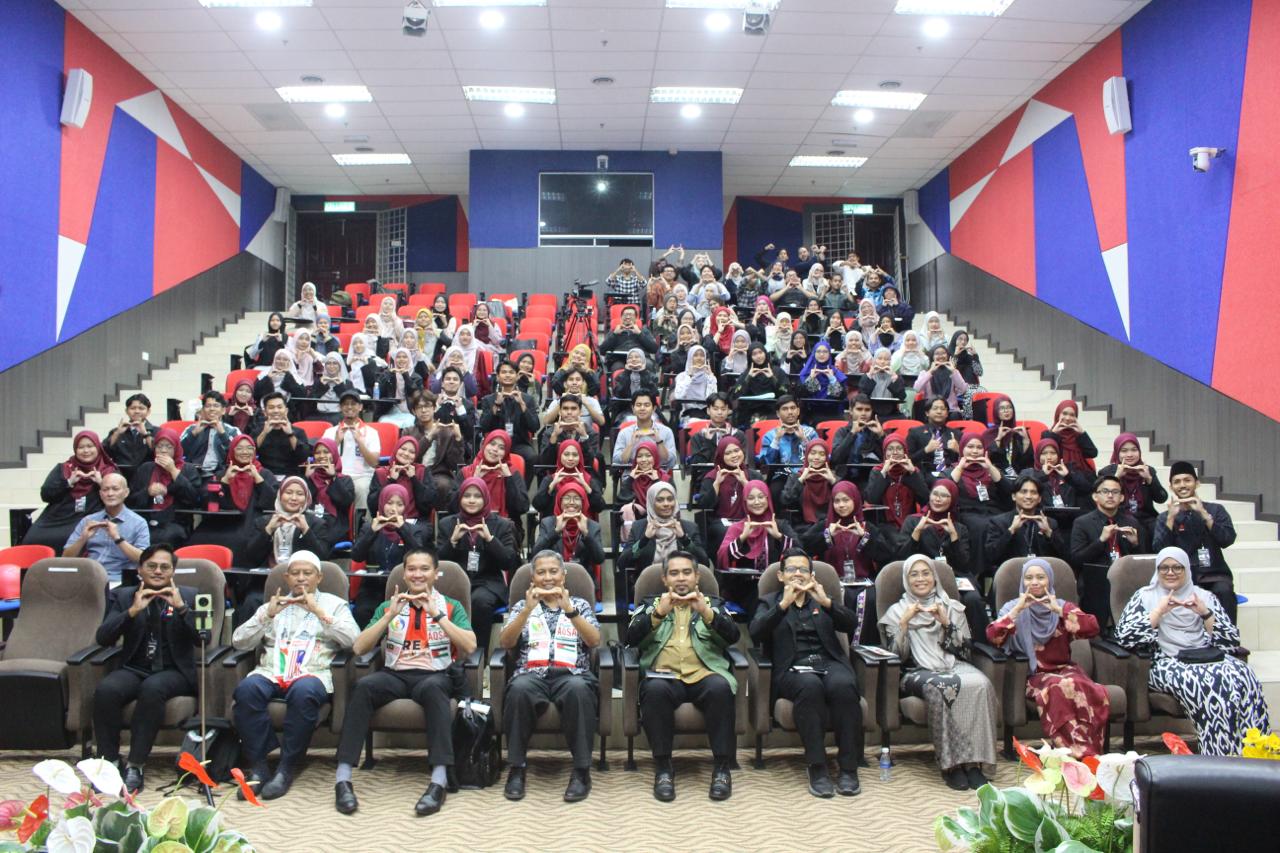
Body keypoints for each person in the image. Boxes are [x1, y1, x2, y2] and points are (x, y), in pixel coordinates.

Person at [334, 548, 477, 817]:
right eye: (411, 569)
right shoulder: (389, 606)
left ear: (436, 573)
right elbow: (360, 647)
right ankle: (343, 779)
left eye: (424, 569)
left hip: (434, 674)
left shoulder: (450, 606)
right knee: (364, 687)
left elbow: (469, 646)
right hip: (395, 674)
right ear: (404, 573)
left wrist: (438, 615)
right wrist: (389, 616)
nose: (417, 574)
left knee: (434, 689)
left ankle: (438, 781)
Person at [1114, 547, 1270, 757]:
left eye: (1177, 567)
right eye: (1164, 568)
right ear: (1157, 571)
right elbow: (1125, 637)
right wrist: (1159, 611)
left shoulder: (1204, 596)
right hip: (1166, 661)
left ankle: (1255, 752)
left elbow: (1230, 642)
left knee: (1244, 674)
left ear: (1187, 570)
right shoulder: (1145, 597)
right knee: (1207, 683)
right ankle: (1217, 756)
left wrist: (1204, 613)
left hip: (1207, 656)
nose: (1170, 572)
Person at [231, 551, 359, 800]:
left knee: (304, 692)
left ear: (319, 578)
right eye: (295, 573)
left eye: (307, 573)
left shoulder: (334, 605)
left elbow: (354, 641)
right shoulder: (272, 605)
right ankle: (258, 766)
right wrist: (266, 616)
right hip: (271, 671)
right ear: (287, 578)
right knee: (246, 690)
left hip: (312, 672)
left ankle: (286, 767)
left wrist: (320, 613)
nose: (301, 578)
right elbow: (239, 642)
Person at [750, 549, 864, 797]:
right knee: (810, 685)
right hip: (792, 669)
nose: (798, 574)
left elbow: (851, 624)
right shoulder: (769, 602)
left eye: (803, 569)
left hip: (828, 663)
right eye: (791, 569)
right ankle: (817, 767)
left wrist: (827, 603)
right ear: (781, 575)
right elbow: (755, 632)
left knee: (844, 685)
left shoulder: (821, 599)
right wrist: (783, 605)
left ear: (812, 575)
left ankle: (848, 768)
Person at [879, 555, 998, 790]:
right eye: (914, 574)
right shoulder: (897, 611)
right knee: (943, 687)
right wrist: (903, 624)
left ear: (934, 577)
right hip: (916, 670)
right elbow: (895, 657)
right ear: (906, 580)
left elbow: (965, 651)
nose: (921, 579)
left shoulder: (952, 607)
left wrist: (946, 623)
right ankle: (951, 765)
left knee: (981, 684)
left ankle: (974, 764)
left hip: (953, 664)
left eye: (926, 573)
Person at [627, 551, 738, 802]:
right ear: (665, 579)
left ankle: (722, 768)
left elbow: (733, 636)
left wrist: (706, 612)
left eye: (687, 572)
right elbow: (630, 638)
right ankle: (663, 768)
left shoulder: (713, 604)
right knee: (654, 690)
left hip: (705, 674)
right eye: (674, 573)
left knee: (720, 688)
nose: (681, 578)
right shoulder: (650, 604)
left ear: (697, 576)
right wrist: (658, 614)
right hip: (664, 676)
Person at [92, 544, 198, 793]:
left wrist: (182, 609)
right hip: (135, 667)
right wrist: (132, 612)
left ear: (172, 571)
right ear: (140, 569)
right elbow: (103, 637)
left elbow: (204, 636)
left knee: (153, 688)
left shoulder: (190, 595)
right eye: (151, 566)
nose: (158, 571)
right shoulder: (124, 596)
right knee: (106, 690)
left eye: (164, 567)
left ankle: (136, 765)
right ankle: (110, 761)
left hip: (174, 671)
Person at [499, 551, 603, 802]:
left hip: (572, 673)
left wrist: (570, 610)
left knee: (579, 690)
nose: (548, 577)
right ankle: (517, 768)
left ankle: (581, 771)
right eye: (541, 572)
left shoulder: (579, 604)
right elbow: (506, 642)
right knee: (519, 690)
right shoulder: (522, 606)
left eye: (553, 571)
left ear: (563, 575)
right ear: (532, 578)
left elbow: (594, 641)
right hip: (531, 672)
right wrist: (526, 611)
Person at [986, 558, 1109, 757]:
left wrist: (1059, 611)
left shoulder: (1061, 606)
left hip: (1065, 669)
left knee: (1086, 687)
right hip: (1033, 675)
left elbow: (1092, 628)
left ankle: (1091, 751)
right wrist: (1018, 610)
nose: (1034, 582)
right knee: (1058, 687)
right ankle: (1074, 753)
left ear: (1049, 580)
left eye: (1040, 577)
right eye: (1029, 578)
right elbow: (993, 636)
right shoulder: (1012, 607)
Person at [899, 478, 989, 637]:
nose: (938, 499)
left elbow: (964, 564)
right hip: (923, 577)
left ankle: (979, 643)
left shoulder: (959, 527)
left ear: (952, 499)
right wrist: (917, 532)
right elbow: (901, 558)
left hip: (955, 575)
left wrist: (954, 536)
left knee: (973, 598)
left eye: (944, 496)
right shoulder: (913, 521)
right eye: (935, 494)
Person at [438, 478, 517, 657]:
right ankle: (447, 656)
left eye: (477, 496)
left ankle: (477, 658)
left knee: (479, 601)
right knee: (447, 600)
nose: (472, 500)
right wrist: (453, 541)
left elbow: (508, 562)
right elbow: (438, 563)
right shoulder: (448, 524)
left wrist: (490, 540)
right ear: (460, 498)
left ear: (485, 498)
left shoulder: (501, 524)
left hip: (488, 583)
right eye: (467, 496)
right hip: (455, 582)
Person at [1154, 461, 1238, 622]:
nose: (1182, 485)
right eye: (1177, 482)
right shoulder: (1165, 517)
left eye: (1187, 480)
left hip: (1214, 575)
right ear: (1171, 487)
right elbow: (1160, 550)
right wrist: (1171, 519)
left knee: (1224, 591)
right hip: (1181, 578)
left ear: (1197, 483)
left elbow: (1227, 539)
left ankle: (1228, 635)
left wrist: (1204, 514)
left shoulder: (1215, 510)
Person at [801, 483, 884, 645]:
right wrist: (828, 535)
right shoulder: (825, 525)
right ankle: (838, 647)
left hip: (863, 583)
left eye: (846, 500)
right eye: (837, 501)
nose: (841, 505)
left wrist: (864, 537)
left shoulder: (867, 527)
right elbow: (804, 547)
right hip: (833, 582)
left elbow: (885, 554)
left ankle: (862, 649)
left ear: (855, 500)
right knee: (835, 596)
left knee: (870, 598)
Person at [185, 435, 277, 572]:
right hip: (222, 523)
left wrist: (258, 479)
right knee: (197, 539)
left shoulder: (265, 474)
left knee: (242, 541)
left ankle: (237, 581)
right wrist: (225, 481)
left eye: (249, 448)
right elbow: (205, 502)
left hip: (251, 521)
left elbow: (273, 502)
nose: (245, 452)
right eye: (239, 448)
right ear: (232, 451)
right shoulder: (222, 473)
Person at [1069, 474, 1149, 626]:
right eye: (1105, 491)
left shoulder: (1132, 523)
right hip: (1095, 585)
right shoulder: (1082, 523)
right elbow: (1076, 559)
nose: (1110, 495)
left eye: (1115, 492)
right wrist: (1101, 540)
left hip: (1126, 583)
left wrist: (1135, 544)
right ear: (1095, 496)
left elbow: (1142, 561)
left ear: (1122, 498)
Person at [350, 484, 433, 625]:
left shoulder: (414, 529)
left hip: (404, 587)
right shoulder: (369, 527)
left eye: (399, 504)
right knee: (363, 611)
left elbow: (420, 555)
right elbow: (357, 556)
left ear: (406, 507)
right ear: (382, 503)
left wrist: (402, 529)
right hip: (373, 587)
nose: (393, 509)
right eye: (389, 503)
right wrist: (372, 532)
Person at [23, 430, 119, 552]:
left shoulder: (109, 471)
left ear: (98, 447)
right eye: (81, 447)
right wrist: (68, 482)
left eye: (90, 446)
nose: (86, 451)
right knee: (32, 539)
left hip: (87, 517)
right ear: (75, 449)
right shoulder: (64, 468)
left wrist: (101, 483)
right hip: (57, 517)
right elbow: (45, 495)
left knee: (71, 538)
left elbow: (119, 498)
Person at [947, 432, 1014, 582]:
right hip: (967, 513)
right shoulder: (953, 470)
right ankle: (980, 572)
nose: (975, 451)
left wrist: (990, 468)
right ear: (962, 448)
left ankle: (1006, 570)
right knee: (982, 526)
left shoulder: (990, 470)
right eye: (970, 447)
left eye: (979, 447)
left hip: (994, 512)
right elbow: (945, 490)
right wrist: (960, 468)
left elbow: (1010, 492)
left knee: (1006, 522)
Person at [63, 473, 149, 584]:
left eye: (115, 489)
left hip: (119, 579)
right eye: (105, 489)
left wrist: (117, 539)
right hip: (89, 577)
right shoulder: (88, 520)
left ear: (126, 492)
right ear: (100, 494)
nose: (110, 494)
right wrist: (83, 539)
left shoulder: (138, 522)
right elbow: (66, 558)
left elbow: (143, 559)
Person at [127, 428, 199, 550]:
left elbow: (194, 499)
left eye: (169, 447)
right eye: (159, 446)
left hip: (175, 521)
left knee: (165, 537)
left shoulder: (188, 469)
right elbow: (130, 500)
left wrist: (173, 470)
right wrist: (147, 492)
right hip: (146, 519)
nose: (164, 450)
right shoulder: (145, 468)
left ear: (176, 448)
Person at [983, 475, 1067, 564]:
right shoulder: (998, 522)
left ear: (1039, 498)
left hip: (1042, 570)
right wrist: (1011, 531)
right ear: (1014, 496)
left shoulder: (1050, 523)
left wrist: (1049, 532)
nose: (1028, 496)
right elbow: (991, 556)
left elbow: (1064, 557)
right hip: (1012, 570)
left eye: (1033, 492)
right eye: (1024, 492)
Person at [247, 475, 326, 569]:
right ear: (280, 495)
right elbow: (251, 557)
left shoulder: (316, 523)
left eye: (300, 494)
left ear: (306, 498)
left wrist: (306, 530)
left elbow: (321, 558)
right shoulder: (263, 522)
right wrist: (268, 529)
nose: (294, 498)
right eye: (288, 492)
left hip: (301, 575)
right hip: (267, 576)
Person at [1097, 433, 1167, 538]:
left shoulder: (1147, 470)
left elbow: (1162, 498)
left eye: (1134, 450)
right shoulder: (1107, 472)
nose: (1129, 454)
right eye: (1124, 451)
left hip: (1145, 518)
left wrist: (1149, 479)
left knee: (1160, 527)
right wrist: (1117, 477)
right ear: (1117, 453)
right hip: (1118, 516)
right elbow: (1100, 498)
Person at [321, 390, 380, 514]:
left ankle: (360, 523)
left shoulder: (371, 432)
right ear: (340, 407)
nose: (349, 407)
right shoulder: (330, 432)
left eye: (353, 403)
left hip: (361, 476)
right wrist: (336, 442)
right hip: (336, 475)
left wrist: (360, 442)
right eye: (345, 404)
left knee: (362, 488)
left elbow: (374, 463)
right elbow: (322, 460)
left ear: (360, 407)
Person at [478, 361, 540, 477]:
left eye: (511, 372)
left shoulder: (527, 399)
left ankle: (522, 487)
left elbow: (535, 426)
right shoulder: (488, 400)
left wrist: (522, 404)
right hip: (495, 443)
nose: (507, 375)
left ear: (517, 376)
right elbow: (483, 426)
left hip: (519, 443)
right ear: (497, 376)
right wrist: (496, 405)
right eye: (504, 372)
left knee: (532, 457)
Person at [458, 429, 531, 525]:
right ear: (484, 445)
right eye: (492, 444)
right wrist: (474, 479)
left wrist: (509, 478)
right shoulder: (466, 472)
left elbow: (522, 507)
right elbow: (453, 507)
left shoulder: (512, 473)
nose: (495, 449)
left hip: (504, 526)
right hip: (470, 524)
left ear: (506, 452)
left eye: (501, 448)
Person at [756, 396, 819, 505]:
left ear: (798, 411)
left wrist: (804, 439)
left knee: (808, 492)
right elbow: (766, 463)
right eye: (785, 409)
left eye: (793, 408)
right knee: (774, 491)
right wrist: (777, 439)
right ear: (778, 413)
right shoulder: (770, 436)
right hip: (781, 475)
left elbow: (820, 456)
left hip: (806, 474)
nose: (790, 412)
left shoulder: (810, 432)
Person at [533, 481, 605, 567]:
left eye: (576, 498)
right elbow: (535, 554)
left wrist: (586, 533)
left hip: (582, 574)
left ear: (583, 502)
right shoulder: (548, 523)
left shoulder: (592, 526)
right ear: (560, 501)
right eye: (567, 498)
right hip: (553, 573)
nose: (571, 502)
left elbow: (599, 559)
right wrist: (556, 531)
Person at [865, 434, 930, 528]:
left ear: (905, 451)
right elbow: (871, 500)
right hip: (885, 525)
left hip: (909, 523)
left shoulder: (913, 470)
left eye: (899, 448)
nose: (895, 452)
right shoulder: (878, 471)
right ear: (885, 452)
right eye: (890, 449)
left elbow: (925, 499)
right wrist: (884, 473)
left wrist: (913, 473)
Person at [302, 438, 354, 554]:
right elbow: (302, 504)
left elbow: (345, 503)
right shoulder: (309, 478)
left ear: (334, 454)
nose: (321, 456)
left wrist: (334, 477)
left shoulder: (344, 480)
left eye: (326, 452)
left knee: (323, 539)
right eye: (318, 453)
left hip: (335, 524)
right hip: (312, 521)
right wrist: (307, 479)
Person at [180, 392, 242, 486]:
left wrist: (223, 434)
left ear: (223, 410)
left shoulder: (232, 431)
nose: (212, 409)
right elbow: (179, 451)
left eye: (216, 406)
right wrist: (193, 434)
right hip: (194, 473)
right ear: (202, 410)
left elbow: (239, 454)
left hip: (220, 474)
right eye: (208, 406)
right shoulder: (191, 429)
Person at [532, 438, 605, 518]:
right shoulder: (550, 480)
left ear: (580, 457)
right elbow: (537, 505)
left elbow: (600, 507)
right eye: (566, 454)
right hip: (556, 524)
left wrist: (585, 486)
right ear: (560, 456)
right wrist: (551, 486)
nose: (570, 458)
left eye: (575, 455)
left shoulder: (588, 480)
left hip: (582, 524)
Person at [250, 392, 311, 479]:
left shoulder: (298, 432)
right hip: (264, 475)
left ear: (286, 411)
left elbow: (303, 457)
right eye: (271, 408)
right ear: (265, 412)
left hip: (291, 476)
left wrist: (290, 434)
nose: (276, 411)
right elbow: (250, 454)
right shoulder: (258, 431)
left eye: (279, 407)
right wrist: (264, 433)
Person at [829, 394, 886, 486]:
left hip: (870, 478)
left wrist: (881, 435)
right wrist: (852, 433)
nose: (863, 413)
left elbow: (889, 457)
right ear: (851, 411)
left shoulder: (876, 432)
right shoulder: (842, 431)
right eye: (859, 409)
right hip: (844, 478)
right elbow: (835, 459)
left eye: (867, 410)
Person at [611, 391, 676, 470]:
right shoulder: (624, 432)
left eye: (646, 405)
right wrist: (631, 444)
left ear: (654, 408)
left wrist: (659, 442)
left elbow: (672, 463)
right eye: (638, 405)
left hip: (658, 474)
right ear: (633, 408)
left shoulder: (666, 431)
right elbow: (617, 462)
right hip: (631, 474)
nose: (642, 408)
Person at [782, 439, 838, 529]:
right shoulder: (796, 477)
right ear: (806, 455)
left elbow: (844, 500)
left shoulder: (832, 477)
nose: (816, 457)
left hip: (828, 525)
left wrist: (833, 482)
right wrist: (801, 480)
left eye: (822, 454)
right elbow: (785, 501)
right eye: (813, 453)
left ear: (827, 457)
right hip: (802, 525)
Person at [1025, 437, 1093, 510]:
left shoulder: (1069, 470)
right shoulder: (1029, 473)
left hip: (1069, 514)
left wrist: (1068, 476)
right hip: (1041, 513)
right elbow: (1025, 491)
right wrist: (1042, 474)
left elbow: (1087, 490)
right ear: (1038, 455)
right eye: (1044, 453)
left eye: (1053, 453)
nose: (1049, 457)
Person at [104, 393, 158, 484]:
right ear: (126, 411)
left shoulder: (157, 431)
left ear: (148, 411)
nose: (137, 411)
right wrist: (117, 433)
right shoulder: (116, 432)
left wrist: (145, 434)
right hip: (121, 478)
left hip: (147, 478)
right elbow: (105, 452)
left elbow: (159, 452)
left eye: (141, 408)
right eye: (133, 408)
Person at [731, 344, 788, 426]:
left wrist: (773, 378)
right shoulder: (747, 373)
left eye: (760, 352)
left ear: (765, 353)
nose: (758, 356)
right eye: (754, 354)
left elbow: (786, 392)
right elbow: (735, 394)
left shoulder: (777, 371)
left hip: (773, 411)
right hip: (750, 412)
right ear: (750, 357)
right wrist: (748, 378)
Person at [906, 396, 961, 477]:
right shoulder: (915, 432)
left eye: (942, 409)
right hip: (925, 474)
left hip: (950, 474)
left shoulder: (956, 434)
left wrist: (958, 450)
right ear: (927, 413)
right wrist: (925, 450)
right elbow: (908, 460)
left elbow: (968, 460)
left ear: (947, 414)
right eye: (935, 408)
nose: (939, 411)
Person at [982, 395, 1032, 475]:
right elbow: (988, 459)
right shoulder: (988, 434)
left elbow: (1027, 462)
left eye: (1009, 407)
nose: (1006, 411)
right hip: (995, 475)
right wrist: (998, 438)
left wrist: (1026, 440)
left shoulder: (1019, 433)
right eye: (1002, 408)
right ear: (996, 411)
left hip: (1018, 476)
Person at [1044, 400, 1097, 475]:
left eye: (1072, 415)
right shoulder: (1048, 434)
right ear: (1058, 414)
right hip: (1057, 474)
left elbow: (1092, 453)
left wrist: (1082, 433)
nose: (1068, 418)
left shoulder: (1078, 435)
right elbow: (1044, 454)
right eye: (1064, 413)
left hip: (1079, 474)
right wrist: (1054, 433)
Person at [798, 340, 847, 421]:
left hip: (833, 413)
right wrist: (811, 378)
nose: (821, 354)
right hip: (810, 413)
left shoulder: (835, 372)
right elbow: (801, 395)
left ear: (829, 354)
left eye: (825, 351)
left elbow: (842, 396)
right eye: (818, 351)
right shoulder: (806, 372)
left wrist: (832, 379)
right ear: (814, 353)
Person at [600, 305, 658, 373]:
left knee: (648, 365)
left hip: (641, 358)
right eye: (625, 315)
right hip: (619, 359)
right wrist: (614, 334)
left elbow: (654, 349)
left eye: (630, 315)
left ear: (636, 318)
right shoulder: (614, 331)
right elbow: (602, 350)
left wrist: (639, 334)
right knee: (617, 367)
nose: (627, 317)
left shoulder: (643, 331)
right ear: (621, 318)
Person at [913, 345, 968, 417]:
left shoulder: (953, 372)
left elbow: (963, 389)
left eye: (943, 353)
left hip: (950, 410)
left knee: (955, 416)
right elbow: (917, 389)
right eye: (937, 354)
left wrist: (953, 371)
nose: (941, 356)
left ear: (947, 355)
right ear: (932, 356)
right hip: (932, 409)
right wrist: (930, 371)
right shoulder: (925, 373)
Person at [672, 345, 717, 426]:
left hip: (706, 412)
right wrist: (689, 376)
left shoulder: (709, 377)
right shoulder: (682, 376)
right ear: (690, 358)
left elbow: (712, 399)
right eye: (695, 355)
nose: (699, 358)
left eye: (702, 355)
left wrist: (711, 378)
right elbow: (679, 396)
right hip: (688, 413)